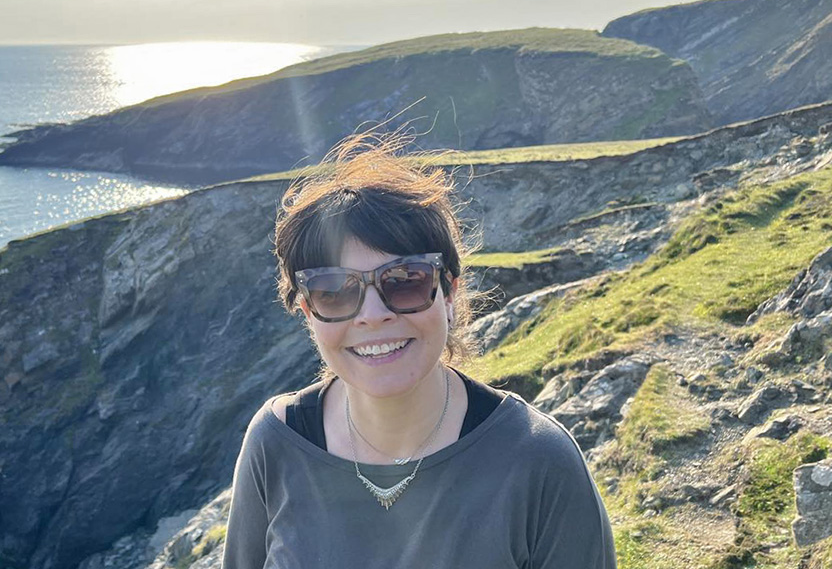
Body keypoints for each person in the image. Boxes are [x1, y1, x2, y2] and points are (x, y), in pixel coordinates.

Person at [221, 132, 617, 568]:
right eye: (333, 290)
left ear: (449, 292)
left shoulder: (539, 460)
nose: (372, 315)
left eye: (405, 280)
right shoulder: (276, 445)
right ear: (306, 310)